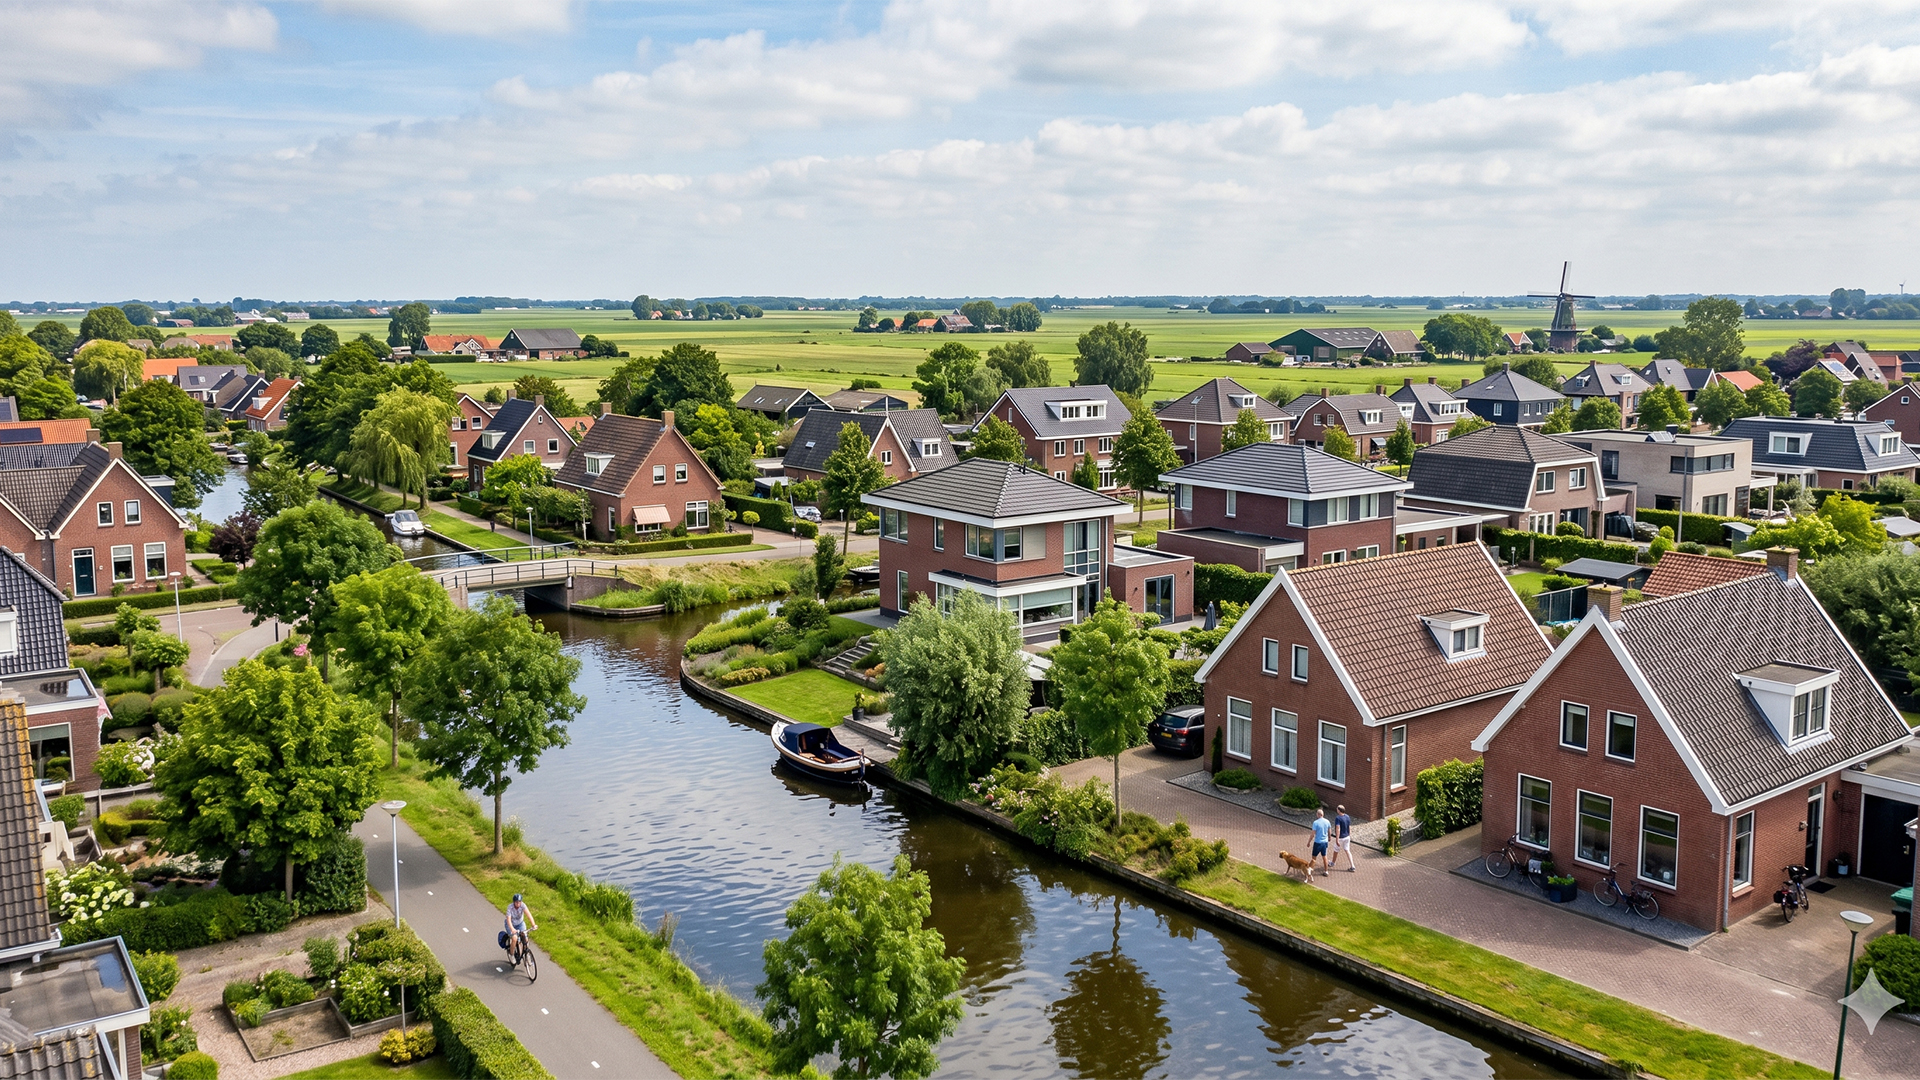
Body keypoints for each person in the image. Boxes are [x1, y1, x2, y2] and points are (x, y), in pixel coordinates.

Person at [505, 893, 537, 963]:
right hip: (511, 925)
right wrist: (512, 929)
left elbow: (529, 915)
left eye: (519, 902)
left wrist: (533, 924)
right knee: (514, 938)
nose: (518, 903)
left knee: (525, 938)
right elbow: (508, 920)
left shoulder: (523, 905)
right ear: (514, 902)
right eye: (517, 902)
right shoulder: (510, 907)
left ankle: (527, 955)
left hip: (520, 924)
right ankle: (512, 955)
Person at [1331, 804, 1356, 872]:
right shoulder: (1347, 817)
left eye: (1337, 809)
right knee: (1347, 851)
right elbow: (1349, 826)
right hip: (1347, 837)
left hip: (1341, 838)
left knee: (1336, 850)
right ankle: (1352, 866)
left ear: (1339, 810)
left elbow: (1338, 828)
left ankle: (1333, 863)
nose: (1336, 810)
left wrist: (1337, 839)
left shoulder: (1338, 818)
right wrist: (1349, 835)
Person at [1309, 809, 1331, 876]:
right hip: (1324, 842)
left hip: (1318, 842)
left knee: (1314, 857)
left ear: (1318, 814)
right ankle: (1326, 871)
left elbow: (1313, 834)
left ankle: (1310, 871)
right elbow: (1329, 831)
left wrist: (1309, 841)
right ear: (1323, 814)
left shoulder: (1315, 823)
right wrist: (1329, 837)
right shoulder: (1327, 821)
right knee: (1324, 857)